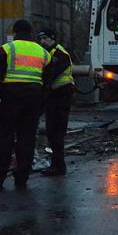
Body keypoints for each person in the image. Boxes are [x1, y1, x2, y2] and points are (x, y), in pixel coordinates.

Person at [0, 19, 52, 190]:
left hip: (11, 97)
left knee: (3, 138)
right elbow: (48, 81)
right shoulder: (42, 52)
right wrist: (42, 102)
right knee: (27, 138)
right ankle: (22, 177)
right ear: (31, 32)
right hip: (33, 99)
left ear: (15, 32)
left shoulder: (7, 49)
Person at [38, 28, 74, 176]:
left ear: (52, 39)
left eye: (45, 38)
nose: (42, 42)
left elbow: (51, 74)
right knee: (53, 132)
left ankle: (58, 166)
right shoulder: (50, 54)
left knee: (56, 132)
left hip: (61, 95)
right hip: (55, 96)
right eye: (41, 39)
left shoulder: (59, 54)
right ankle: (56, 164)